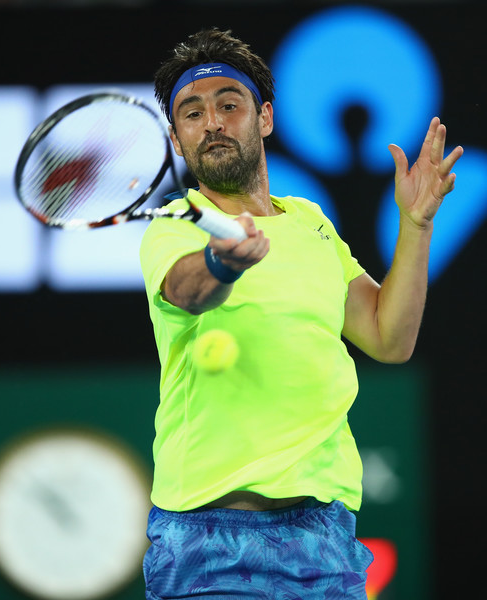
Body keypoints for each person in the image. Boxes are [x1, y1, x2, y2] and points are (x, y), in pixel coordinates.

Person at [139, 28, 463, 600]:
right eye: (191, 113)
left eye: (228, 105)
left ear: (263, 118)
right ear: (177, 137)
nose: (211, 122)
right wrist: (222, 262)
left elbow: (390, 338)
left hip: (323, 540)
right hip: (210, 541)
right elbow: (188, 289)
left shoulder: (310, 221)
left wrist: (415, 227)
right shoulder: (174, 224)